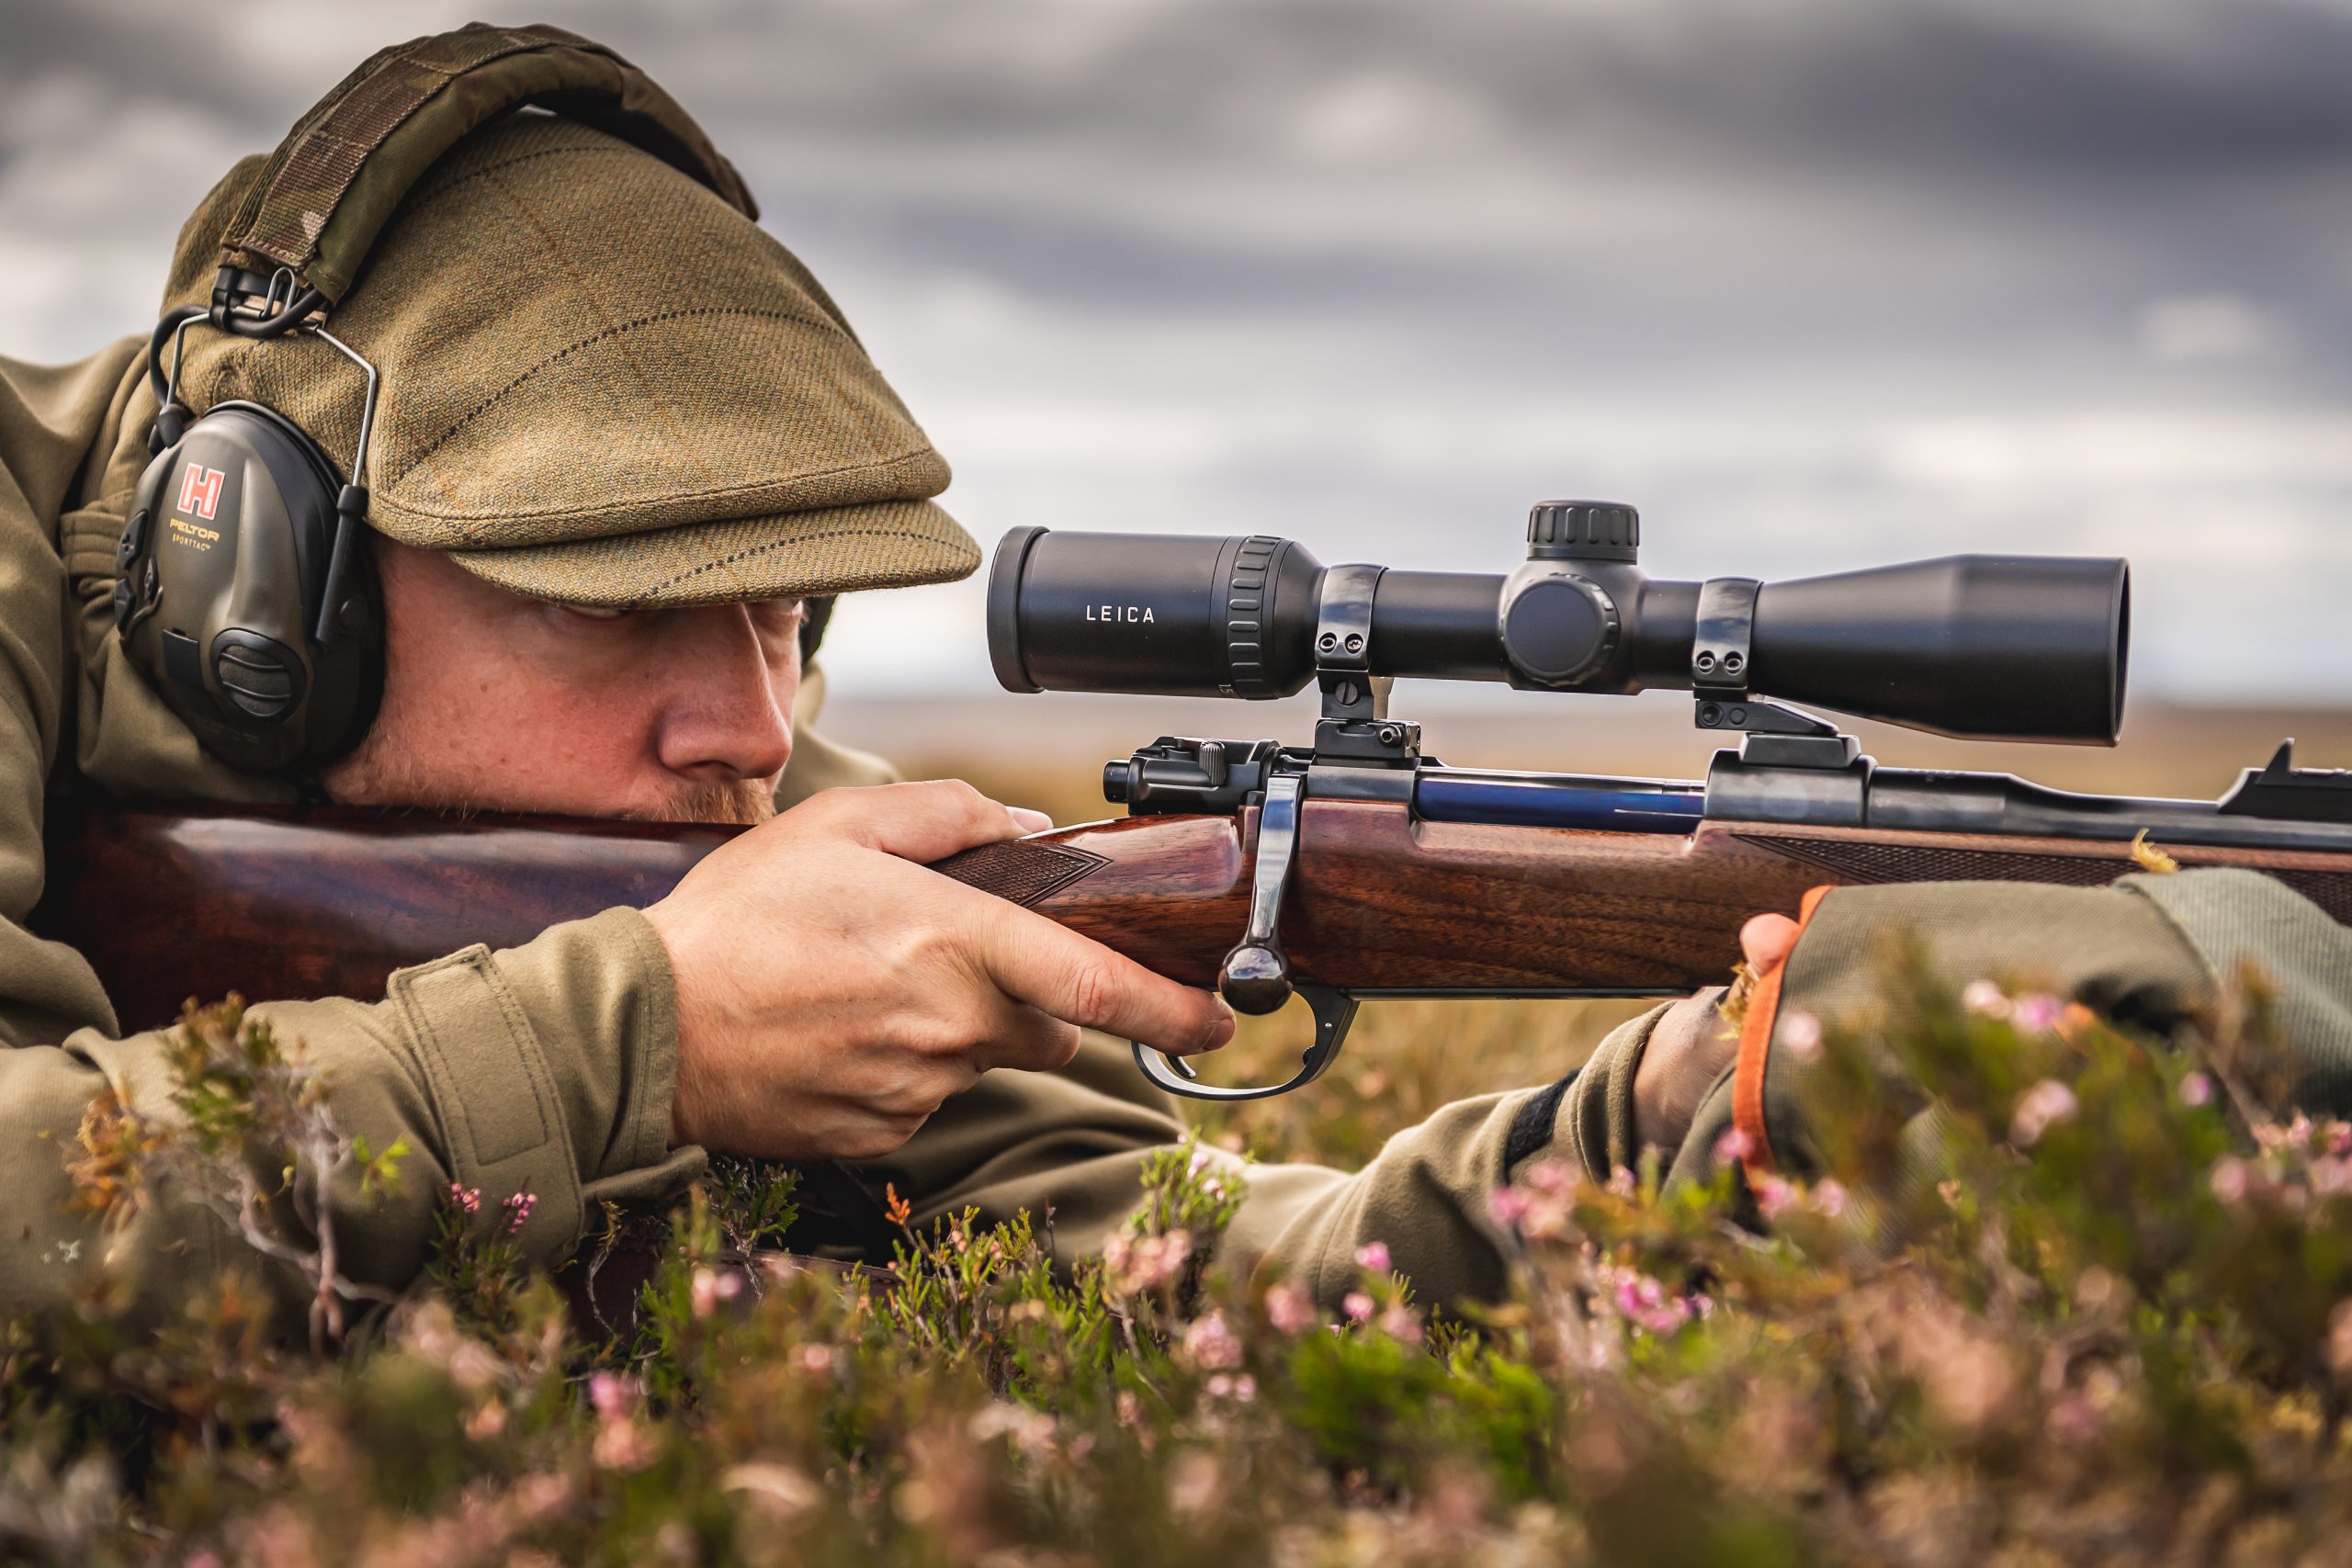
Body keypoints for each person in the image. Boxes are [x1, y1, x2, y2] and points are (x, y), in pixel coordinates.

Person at [6, 25, 2347, 1339]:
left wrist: (1690, 1100)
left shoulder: (753, 831)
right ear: (259, 567)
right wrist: (645, 1040)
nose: (742, 727)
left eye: (791, 610)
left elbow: (1192, 1291)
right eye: (624, 608)